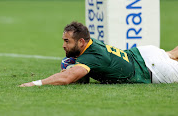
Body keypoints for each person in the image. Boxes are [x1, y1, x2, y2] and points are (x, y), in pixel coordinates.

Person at [19, 22, 178, 87]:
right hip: (142, 53)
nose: (64, 45)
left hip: (153, 69)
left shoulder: (91, 57)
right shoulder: (90, 42)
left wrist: (34, 83)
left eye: (67, 41)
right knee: (172, 53)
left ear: (81, 42)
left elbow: (67, 78)